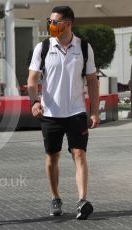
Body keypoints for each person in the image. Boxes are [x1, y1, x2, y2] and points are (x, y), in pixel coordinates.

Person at [27, 6, 99, 220]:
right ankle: (55, 197)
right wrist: (34, 102)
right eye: (50, 21)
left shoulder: (84, 47)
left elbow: (93, 82)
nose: (51, 25)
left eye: (55, 22)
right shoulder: (43, 47)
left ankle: (82, 200)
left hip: (76, 112)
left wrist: (94, 112)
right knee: (52, 156)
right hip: (50, 113)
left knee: (79, 153)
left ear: (68, 24)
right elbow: (32, 80)